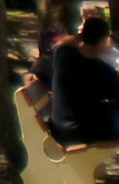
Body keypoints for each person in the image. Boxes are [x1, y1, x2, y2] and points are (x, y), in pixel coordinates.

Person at [51, 15, 119, 144]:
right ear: (103, 41)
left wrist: (83, 35)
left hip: (59, 128)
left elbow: (64, 42)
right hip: (83, 132)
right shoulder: (102, 71)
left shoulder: (63, 54)